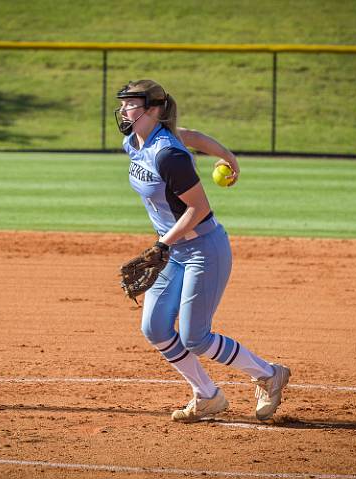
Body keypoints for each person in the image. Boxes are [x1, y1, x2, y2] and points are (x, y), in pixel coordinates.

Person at [114, 79, 291, 422]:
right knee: (155, 328)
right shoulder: (136, 141)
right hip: (171, 250)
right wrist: (226, 154)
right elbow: (189, 134)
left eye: (131, 104)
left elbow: (198, 209)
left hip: (202, 249)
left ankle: (269, 375)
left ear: (152, 109)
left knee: (196, 337)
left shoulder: (169, 156)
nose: (124, 109)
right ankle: (207, 395)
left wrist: (162, 244)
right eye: (122, 104)